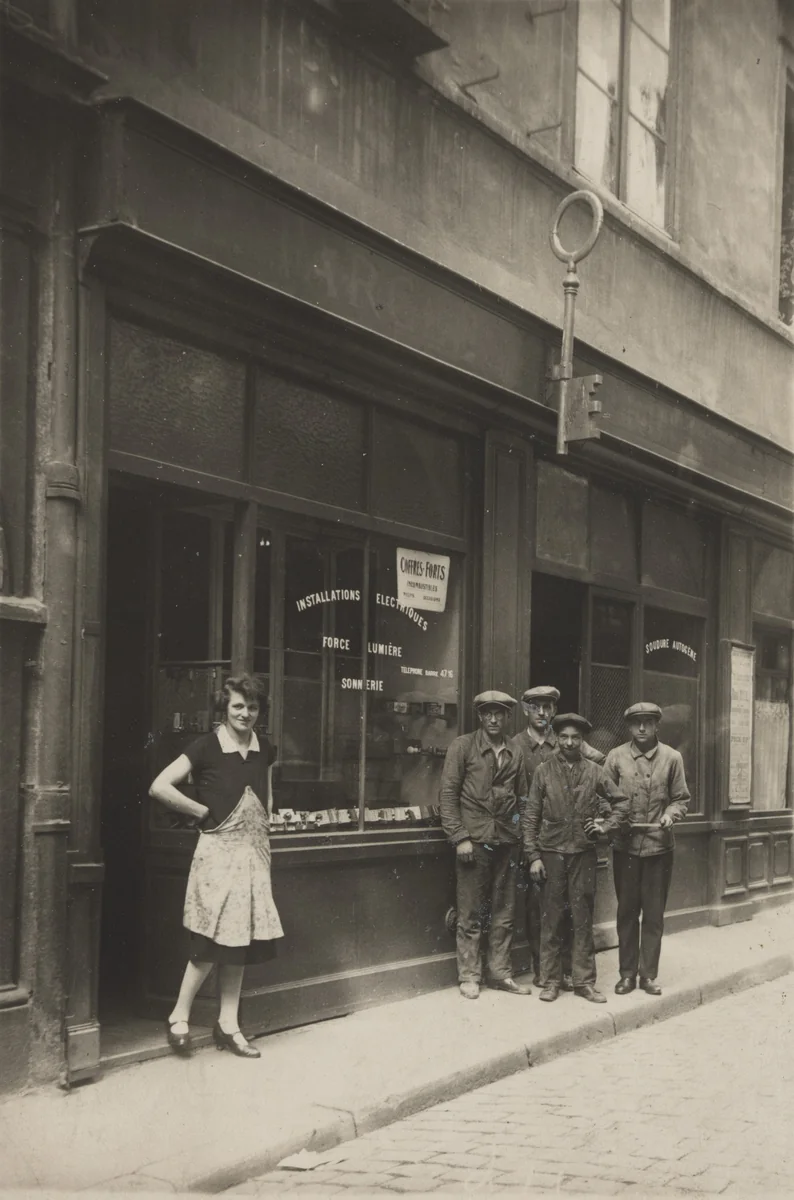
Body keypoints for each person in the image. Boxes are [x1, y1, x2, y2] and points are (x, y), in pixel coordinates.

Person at [149, 673, 283, 1058]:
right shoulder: (206, 746)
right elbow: (159, 786)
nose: (245, 713)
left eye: (252, 707)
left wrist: (264, 824)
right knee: (208, 944)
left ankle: (228, 1024)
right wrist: (200, 812)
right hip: (217, 854)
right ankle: (179, 1017)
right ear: (225, 708)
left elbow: (267, 795)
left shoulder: (265, 749)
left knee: (239, 942)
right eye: (238, 706)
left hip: (253, 854)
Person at [524, 713, 628, 1004]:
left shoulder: (595, 771)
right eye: (564, 737)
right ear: (556, 738)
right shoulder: (543, 771)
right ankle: (551, 981)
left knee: (582, 919)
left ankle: (584, 982)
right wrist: (533, 856)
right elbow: (531, 816)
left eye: (576, 738)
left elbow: (621, 803)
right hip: (551, 855)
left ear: (583, 741)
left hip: (583, 854)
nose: (570, 743)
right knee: (551, 919)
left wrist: (605, 826)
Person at [512, 686, 605, 988]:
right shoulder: (515, 745)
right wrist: (531, 849)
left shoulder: (565, 739)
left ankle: (568, 973)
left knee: (573, 911)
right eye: (535, 707)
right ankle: (545, 973)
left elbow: (598, 767)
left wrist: (599, 817)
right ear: (526, 709)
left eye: (547, 707)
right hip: (530, 838)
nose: (542, 712)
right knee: (540, 910)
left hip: (570, 840)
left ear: (553, 712)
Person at [440, 691, 531, 1000]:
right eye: (488, 713)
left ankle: (501, 973)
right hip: (474, 841)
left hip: (507, 840)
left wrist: (520, 834)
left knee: (504, 911)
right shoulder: (462, 746)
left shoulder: (515, 750)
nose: (493, 719)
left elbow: (522, 798)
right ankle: (469, 975)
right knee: (470, 912)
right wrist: (459, 837)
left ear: (507, 717)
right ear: (480, 716)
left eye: (499, 713)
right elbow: (448, 796)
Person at [604, 702, 690, 997]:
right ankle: (627, 975)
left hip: (658, 849)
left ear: (656, 726)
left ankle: (648, 975)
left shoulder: (672, 758)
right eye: (636, 723)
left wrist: (670, 815)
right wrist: (615, 820)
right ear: (629, 726)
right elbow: (602, 796)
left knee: (653, 915)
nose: (642, 728)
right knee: (627, 913)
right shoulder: (616, 757)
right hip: (625, 849)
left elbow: (681, 798)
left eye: (648, 722)